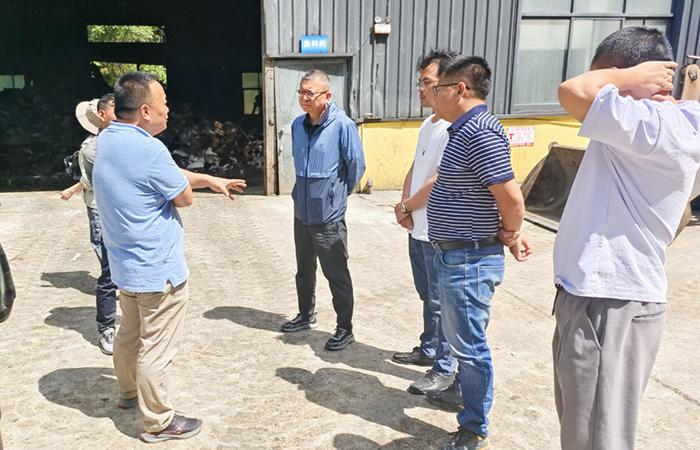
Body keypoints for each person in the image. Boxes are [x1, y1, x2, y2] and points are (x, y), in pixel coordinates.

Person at [553, 27, 699, 450]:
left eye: (608, 78)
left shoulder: (653, 125)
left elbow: (572, 90)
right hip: (604, 298)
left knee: (597, 438)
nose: (604, 89)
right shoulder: (665, 124)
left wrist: (626, 78)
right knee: (587, 431)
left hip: (608, 301)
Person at [93, 71, 246, 443]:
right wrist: (198, 186)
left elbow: (162, 174)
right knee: (156, 348)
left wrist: (209, 179)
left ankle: (128, 392)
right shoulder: (150, 150)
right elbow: (182, 197)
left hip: (126, 267)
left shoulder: (108, 139)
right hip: (157, 270)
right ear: (145, 111)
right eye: (163, 103)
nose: (168, 109)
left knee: (129, 335)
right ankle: (159, 421)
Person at [427, 55, 531, 450]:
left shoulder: (479, 133)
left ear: (459, 90)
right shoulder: (462, 130)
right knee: (461, 340)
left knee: (470, 348)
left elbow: (511, 198)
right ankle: (463, 395)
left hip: (469, 260)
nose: (432, 95)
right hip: (457, 255)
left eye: (437, 89)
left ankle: (473, 429)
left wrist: (511, 232)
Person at [280, 69, 365, 351]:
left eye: (310, 93)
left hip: (328, 217)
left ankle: (345, 328)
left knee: (336, 274)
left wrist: (336, 196)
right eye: (301, 92)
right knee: (304, 270)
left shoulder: (342, 126)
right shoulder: (297, 125)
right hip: (302, 213)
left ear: (327, 95)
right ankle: (306, 315)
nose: (304, 97)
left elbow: (356, 167)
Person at [391, 49, 459, 397]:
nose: (421, 89)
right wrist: (404, 206)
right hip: (417, 228)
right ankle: (429, 348)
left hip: (438, 231)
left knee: (441, 301)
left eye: (427, 82)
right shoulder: (428, 124)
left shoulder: (453, 128)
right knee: (427, 295)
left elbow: (438, 180)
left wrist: (408, 205)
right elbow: (416, 168)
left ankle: (445, 369)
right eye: (420, 82)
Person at [60, 94, 118, 355]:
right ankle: (106, 328)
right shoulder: (92, 148)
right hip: (102, 212)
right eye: (117, 111)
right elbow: (103, 181)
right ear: (101, 116)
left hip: (123, 213)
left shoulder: (127, 142)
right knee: (109, 272)